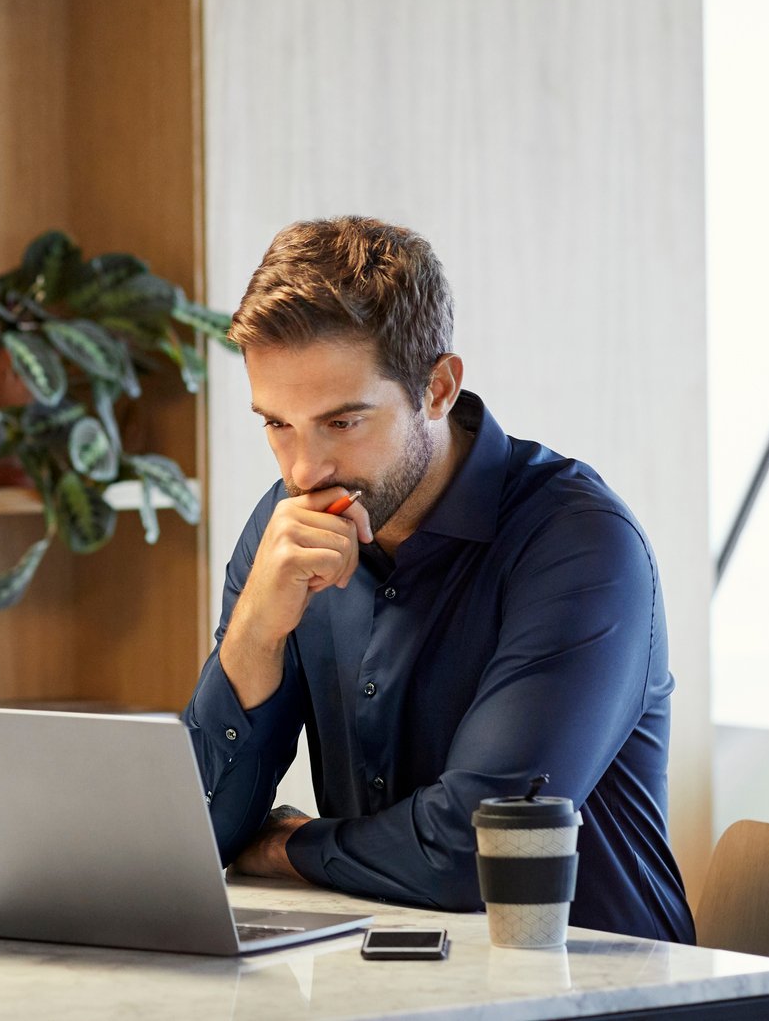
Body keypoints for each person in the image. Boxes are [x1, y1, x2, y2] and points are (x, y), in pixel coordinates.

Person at [183, 216, 696, 943]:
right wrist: (254, 636)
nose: (302, 471)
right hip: (392, 977)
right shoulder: (288, 532)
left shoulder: (579, 547)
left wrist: (290, 847)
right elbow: (200, 829)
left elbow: (477, 853)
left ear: (437, 387)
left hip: (597, 985)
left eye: (341, 423)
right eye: (277, 425)